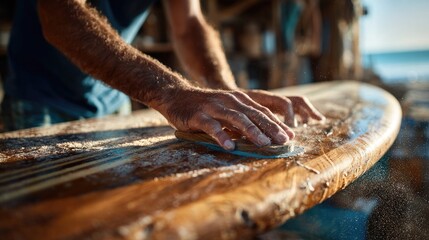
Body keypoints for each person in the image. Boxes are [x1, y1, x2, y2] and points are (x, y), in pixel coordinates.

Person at [1, 0, 325, 151]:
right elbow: (61, 16)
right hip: (38, 94)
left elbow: (189, 23)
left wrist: (225, 89)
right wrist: (172, 93)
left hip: (111, 97)